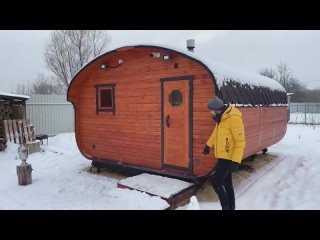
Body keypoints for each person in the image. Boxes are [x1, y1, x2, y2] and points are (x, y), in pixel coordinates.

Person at [203, 96, 246, 210]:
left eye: (211, 110)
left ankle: (226, 207)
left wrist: (236, 161)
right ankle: (231, 208)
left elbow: (240, 142)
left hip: (229, 158)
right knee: (227, 184)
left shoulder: (233, 118)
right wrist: (208, 145)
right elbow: (215, 133)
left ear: (217, 110)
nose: (210, 113)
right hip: (222, 156)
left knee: (216, 182)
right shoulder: (221, 118)